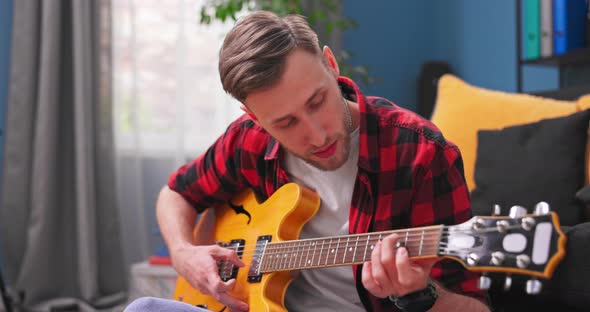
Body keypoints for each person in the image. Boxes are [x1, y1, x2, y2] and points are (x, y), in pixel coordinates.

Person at [128, 10, 490, 312]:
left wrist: (421, 295)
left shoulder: (422, 154)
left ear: (331, 65)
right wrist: (183, 254)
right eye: (285, 123)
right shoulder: (247, 140)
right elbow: (176, 192)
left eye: (317, 102)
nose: (317, 136)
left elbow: (477, 307)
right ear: (254, 118)